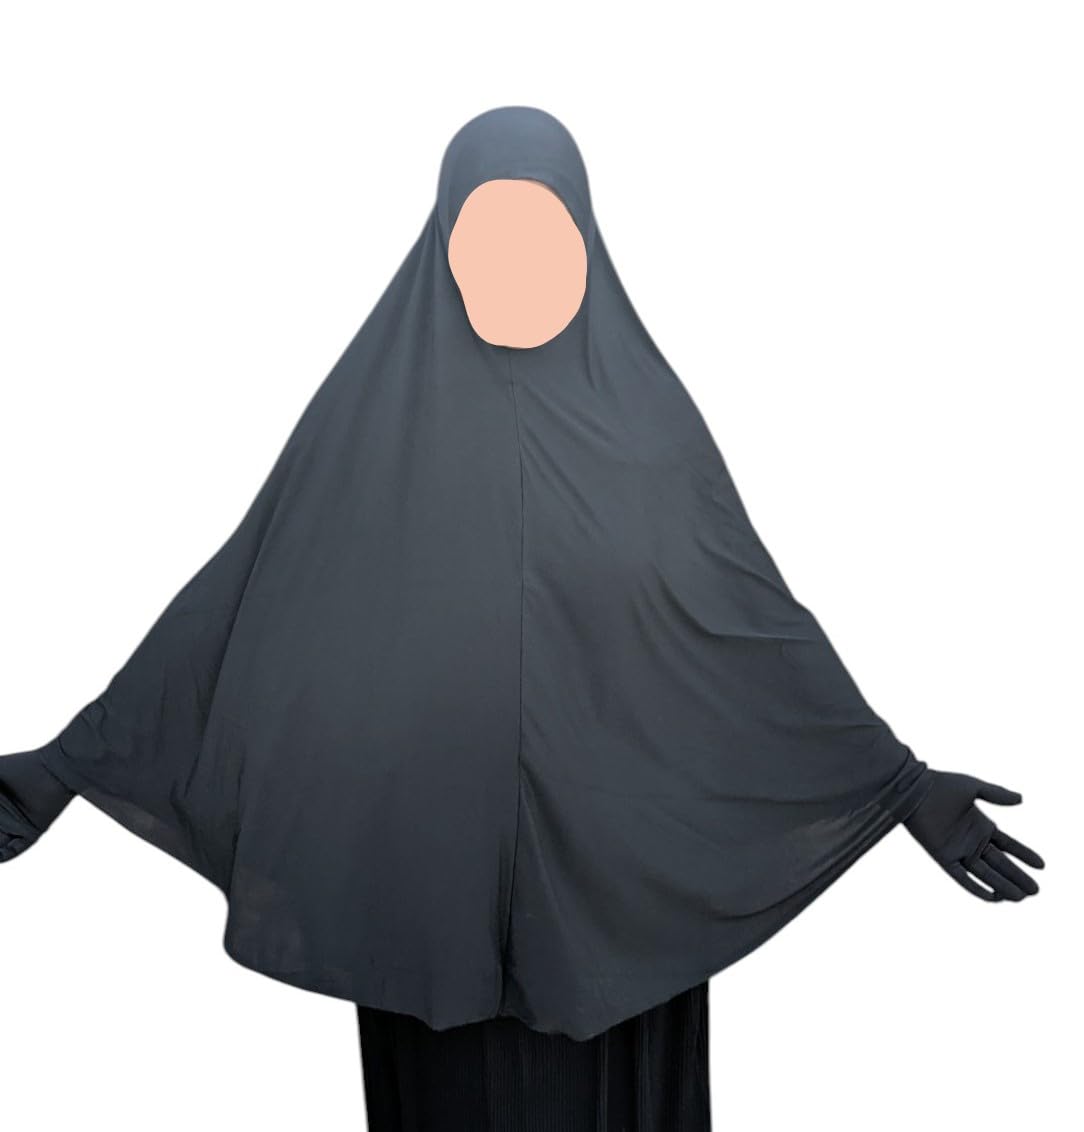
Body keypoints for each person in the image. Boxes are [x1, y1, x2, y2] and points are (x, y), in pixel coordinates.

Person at [0, 105, 1043, 1130]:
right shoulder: (366, 432)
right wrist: (68, 765)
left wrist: (898, 787)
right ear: (441, 246)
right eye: (485, 236)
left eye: (545, 236)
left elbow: (750, 634)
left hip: (626, 920)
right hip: (422, 906)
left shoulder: (651, 435)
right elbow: (238, 609)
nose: (516, 267)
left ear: (589, 242)